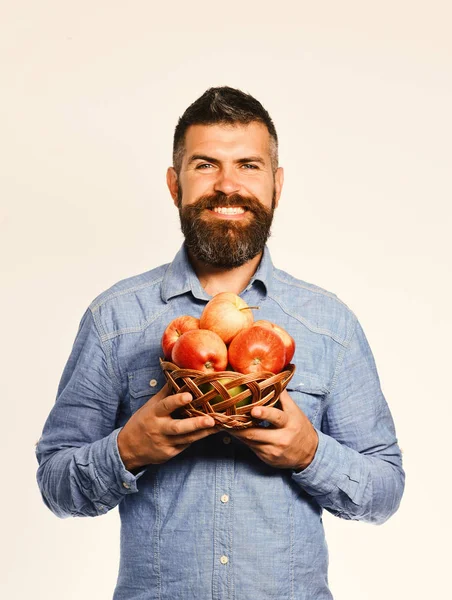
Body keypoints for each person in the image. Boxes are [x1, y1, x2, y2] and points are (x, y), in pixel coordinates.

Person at [36, 86, 405, 600]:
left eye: (249, 166)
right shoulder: (116, 319)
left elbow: (385, 491)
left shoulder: (328, 324)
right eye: (205, 165)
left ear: (277, 185)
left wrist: (310, 453)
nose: (227, 186)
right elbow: (56, 483)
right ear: (174, 184)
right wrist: (128, 450)